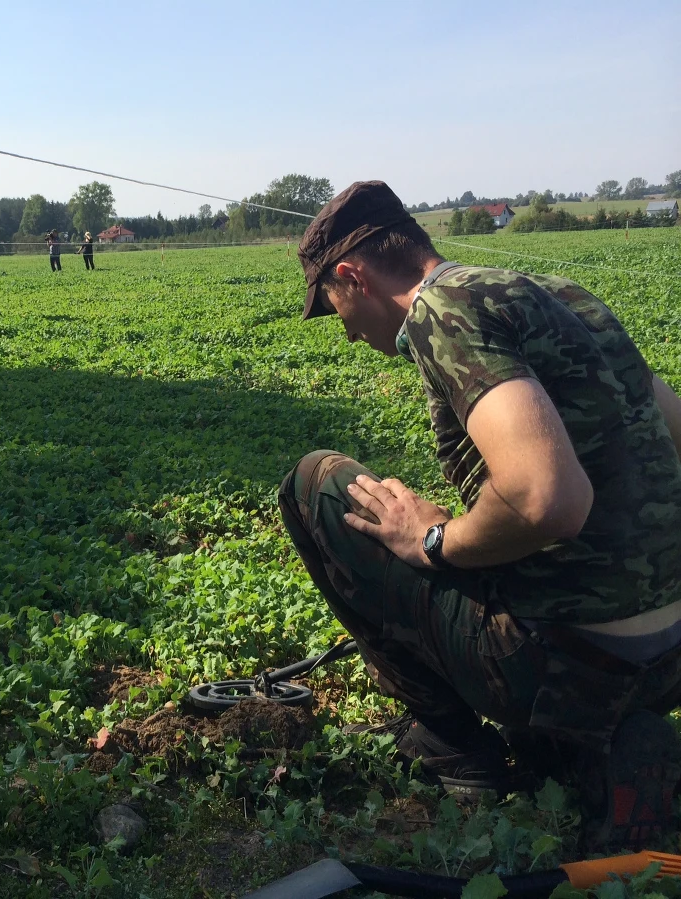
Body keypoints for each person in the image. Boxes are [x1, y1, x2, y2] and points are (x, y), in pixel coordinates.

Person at [280, 180, 681, 847]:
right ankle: (588, 750)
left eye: (334, 305)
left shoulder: (441, 309)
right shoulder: (561, 294)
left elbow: (548, 498)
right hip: (668, 660)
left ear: (353, 275)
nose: (348, 333)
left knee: (314, 485)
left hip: (562, 665)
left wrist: (435, 538)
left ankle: (456, 746)